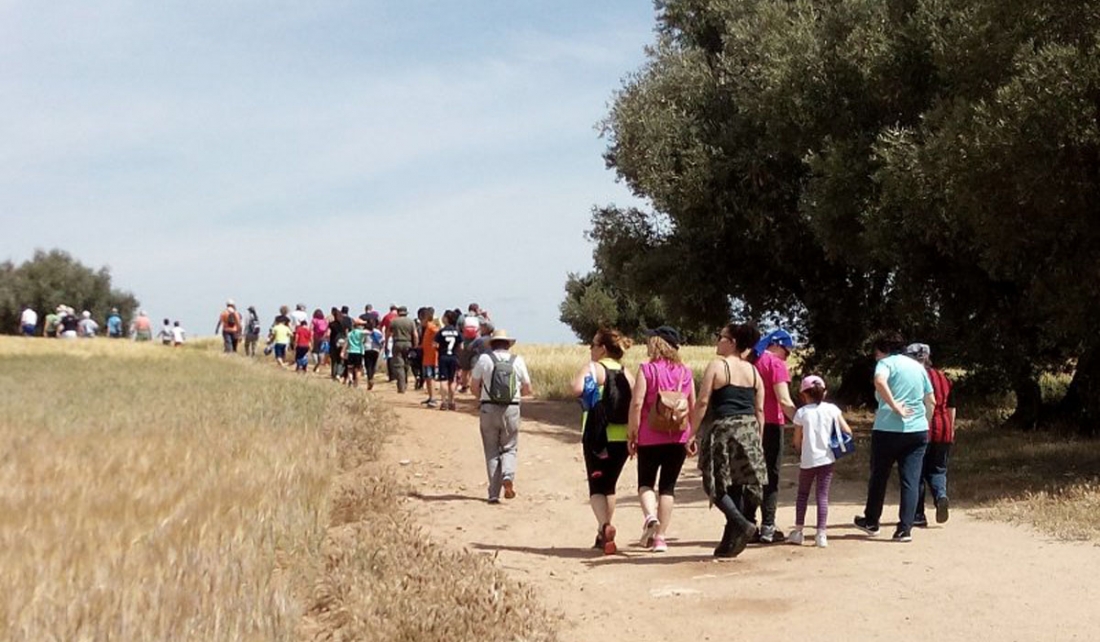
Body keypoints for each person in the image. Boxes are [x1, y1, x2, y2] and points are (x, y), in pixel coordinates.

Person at [691, 323, 768, 558]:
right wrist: (758, 440)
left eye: (720, 337)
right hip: (750, 429)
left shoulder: (718, 366)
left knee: (714, 482)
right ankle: (728, 543)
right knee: (736, 483)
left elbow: (703, 402)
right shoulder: (754, 372)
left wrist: (691, 433)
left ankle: (742, 524)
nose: (717, 341)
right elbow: (760, 409)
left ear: (732, 342)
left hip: (724, 428)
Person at [855, 333, 935, 542]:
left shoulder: (885, 363)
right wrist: (926, 422)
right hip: (917, 430)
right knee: (910, 479)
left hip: (887, 429)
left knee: (879, 476)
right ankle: (905, 528)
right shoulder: (918, 367)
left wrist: (894, 405)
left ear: (882, 350)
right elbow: (931, 400)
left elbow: (879, 381)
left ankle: (872, 520)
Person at [628, 326, 696, 553]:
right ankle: (660, 539)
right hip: (678, 436)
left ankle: (649, 517)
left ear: (656, 343)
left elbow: (637, 404)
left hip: (649, 436)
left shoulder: (646, 370)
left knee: (646, 483)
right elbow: (693, 405)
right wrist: (692, 434)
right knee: (668, 488)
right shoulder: (685, 372)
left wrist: (633, 433)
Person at [571, 327, 635, 555]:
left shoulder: (593, 368)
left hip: (598, 436)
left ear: (603, 349)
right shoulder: (627, 373)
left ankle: (603, 526)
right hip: (622, 436)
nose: (591, 348)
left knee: (596, 486)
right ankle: (603, 536)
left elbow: (576, 389)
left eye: (594, 344)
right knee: (610, 485)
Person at [747, 329, 798, 543]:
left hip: (748, 423)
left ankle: (748, 525)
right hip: (771, 423)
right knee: (770, 475)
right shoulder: (776, 365)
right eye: (786, 352)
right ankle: (768, 525)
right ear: (776, 345)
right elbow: (784, 401)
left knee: (749, 474)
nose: (786, 356)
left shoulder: (751, 362)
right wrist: (803, 421)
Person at [471, 329, 533, 503]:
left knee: (491, 450)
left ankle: (493, 493)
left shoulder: (484, 359)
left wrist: (481, 398)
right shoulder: (517, 361)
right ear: (508, 345)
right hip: (511, 408)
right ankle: (508, 476)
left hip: (488, 408)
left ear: (492, 344)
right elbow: (528, 388)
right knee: (510, 447)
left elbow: (473, 386)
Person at [790, 375, 852, 548]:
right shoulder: (832, 409)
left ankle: (799, 531)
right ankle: (821, 534)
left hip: (808, 459)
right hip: (827, 458)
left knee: (803, 494)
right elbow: (847, 430)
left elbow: (796, 440)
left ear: (803, 394)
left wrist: (798, 449)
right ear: (824, 393)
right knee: (822, 496)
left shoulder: (801, 413)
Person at [905, 343, 955, 527]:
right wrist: (952, 429)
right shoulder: (944, 378)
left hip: (922, 428)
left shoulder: (913, 377)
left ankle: (918, 515)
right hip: (944, 429)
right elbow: (951, 406)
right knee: (938, 469)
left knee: (916, 472)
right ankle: (941, 496)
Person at [435, 310, 463, 410]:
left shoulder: (441, 332)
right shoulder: (457, 332)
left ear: (446, 319)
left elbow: (435, 345)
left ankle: (443, 402)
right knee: (452, 380)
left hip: (443, 357)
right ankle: (452, 401)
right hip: (453, 357)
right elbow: (461, 347)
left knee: (443, 380)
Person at [388, 306, 418, 393]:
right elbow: (415, 335)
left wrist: (386, 343)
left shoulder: (393, 321)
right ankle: (405, 382)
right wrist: (415, 346)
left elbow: (388, 333)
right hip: (408, 343)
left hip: (397, 343)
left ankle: (401, 386)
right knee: (406, 364)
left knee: (398, 365)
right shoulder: (411, 322)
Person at [419, 307, 440, 408]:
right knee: (427, 378)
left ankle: (433, 399)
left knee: (431, 378)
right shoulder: (427, 328)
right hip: (426, 357)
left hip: (432, 357)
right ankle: (430, 396)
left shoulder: (432, 327)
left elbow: (439, 334)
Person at [362, 317, 384, 390]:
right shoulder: (378, 332)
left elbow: (362, 341)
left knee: (368, 365)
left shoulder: (364, 332)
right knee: (373, 365)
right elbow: (382, 341)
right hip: (375, 350)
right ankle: (372, 377)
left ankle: (369, 378)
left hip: (367, 349)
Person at [328, 307, 346, 380]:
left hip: (333, 342)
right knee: (341, 360)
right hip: (342, 342)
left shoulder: (332, 324)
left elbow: (328, 334)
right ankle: (339, 373)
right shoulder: (344, 324)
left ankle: (334, 375)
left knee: (334, 360)